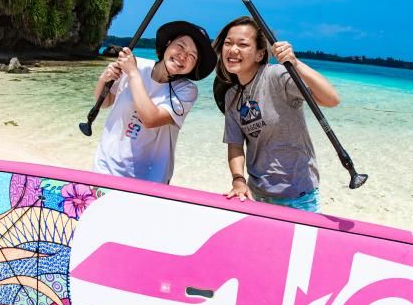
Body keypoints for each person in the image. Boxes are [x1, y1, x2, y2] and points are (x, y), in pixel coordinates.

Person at [213, 16, 340, 212]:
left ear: (259, 54)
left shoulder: (277, 76)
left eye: (243, 44)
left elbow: (331, 99)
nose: (233, 50)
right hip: (256, 194)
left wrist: (295, 63)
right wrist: (238, 181)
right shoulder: (231, 95)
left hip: (298, 195)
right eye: (228, 43)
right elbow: (235, 145)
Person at [93, 20, 216, 184]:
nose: (183, 55)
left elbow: (151, 119)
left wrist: (133, 74)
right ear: (168, 44)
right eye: (180, 46)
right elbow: (104, 102)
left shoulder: (186, 90)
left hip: (149, 180)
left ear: (195, 65)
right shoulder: (137, 65)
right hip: (105, 167)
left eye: (192, 55)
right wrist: (104, 78)